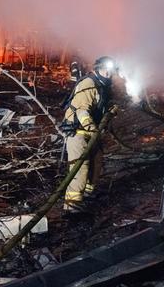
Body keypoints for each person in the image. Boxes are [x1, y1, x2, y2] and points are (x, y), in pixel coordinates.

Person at [61, 56, 116, 214]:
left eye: (110, 69)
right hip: (78, 132)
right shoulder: (89, 83)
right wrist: (93, 129)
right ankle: (71, 204)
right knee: (80, 167)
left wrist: (111, 111)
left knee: (96, 162)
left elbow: (102, 106)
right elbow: (82, 110)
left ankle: (87, 193)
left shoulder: (104, 85)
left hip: (92, 132)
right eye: (105, 68)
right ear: (98, 68)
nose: (108, 72)